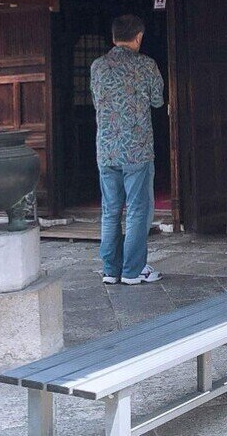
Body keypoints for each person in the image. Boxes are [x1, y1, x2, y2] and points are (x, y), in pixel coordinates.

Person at [91, 15, 165, 285]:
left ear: (113, 38)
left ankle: (111, 270)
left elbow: (96, 100)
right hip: (137, 149)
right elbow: (158, 101)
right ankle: (134, 270)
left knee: (110, 210)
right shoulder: (146, 65)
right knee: (137, 209)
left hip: (106, 150)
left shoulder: (97, 67)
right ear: (139, 37)